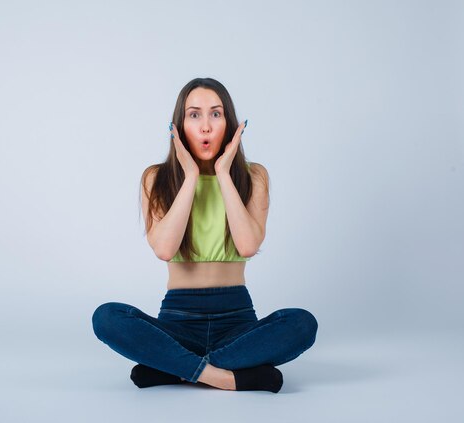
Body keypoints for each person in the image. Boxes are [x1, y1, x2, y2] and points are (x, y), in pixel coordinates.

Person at [92, 78, 317, 392]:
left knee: (302, 324)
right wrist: (191, 177)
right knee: (107, 317)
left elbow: (248, 245)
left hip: (237, 321)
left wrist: (224, 173)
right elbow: (165, 249)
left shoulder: (254, 176)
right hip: (177, 321)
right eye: (194, 115)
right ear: (180, 125)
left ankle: (173, 368)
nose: (206, 127)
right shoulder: (156, 178)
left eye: (216, 114)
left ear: (230, 123)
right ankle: (225, 377)